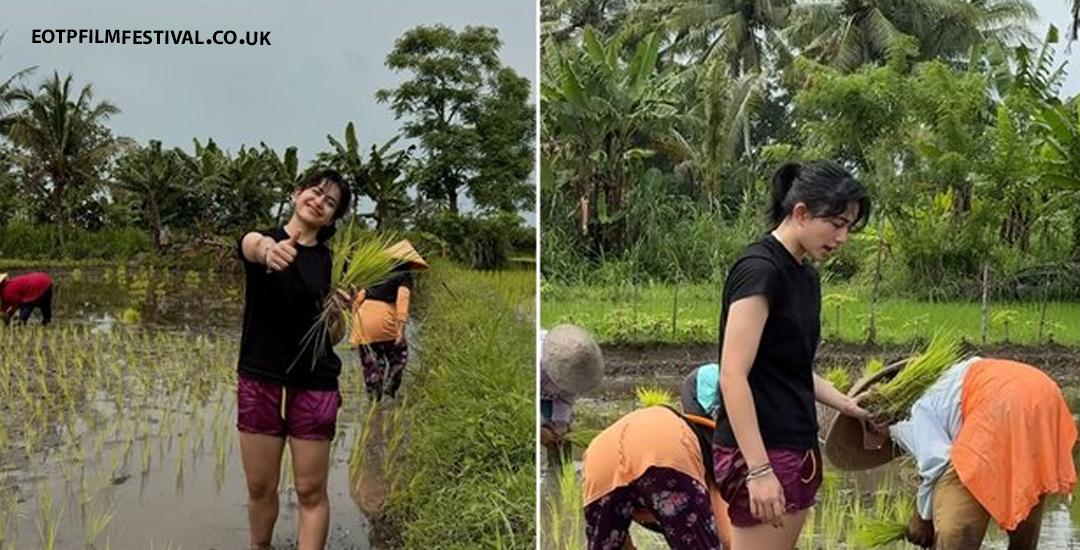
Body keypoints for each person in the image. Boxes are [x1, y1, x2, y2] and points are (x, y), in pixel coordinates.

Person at [712, 160, 872, 550]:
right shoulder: (760, 270)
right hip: (762, 451)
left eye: (848, 227)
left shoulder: (805, 275)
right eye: (835, 223)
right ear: (800, 212)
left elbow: (792, 369)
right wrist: (759, 469)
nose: (842, 237)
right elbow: (732, 374)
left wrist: (847, 405)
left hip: (797, 449)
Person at [825, 357, 1077, 550]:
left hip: (1000, 407)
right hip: (1044, 395)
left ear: (876, 417)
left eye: (868, 425)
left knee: (954, 527)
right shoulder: (948, 379)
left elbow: (937, 462)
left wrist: (922, 518)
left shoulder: (907, 414)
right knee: (1026, 495)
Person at [235, 168, 352, 550]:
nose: (319, 201)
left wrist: (336, 313)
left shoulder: (333, 263)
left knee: (310, 489)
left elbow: (334, 337)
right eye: (315, 192)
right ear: (296, 193)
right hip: (260, 376)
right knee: (259, 485)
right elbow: (249, 244)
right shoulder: (265, 241)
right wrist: (269, 251)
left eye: (330, 202)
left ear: (333, 218)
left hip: (314, 382)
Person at [580, 366, 733, 550]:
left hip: (598, 457)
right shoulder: (714, 459)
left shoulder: (690, 430)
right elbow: (729, 539)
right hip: (663, 451)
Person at [349, 239, 428, 402]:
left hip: (364, 321)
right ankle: (391, 382)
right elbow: (402, 301)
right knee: (399, 355)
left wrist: (354, 324)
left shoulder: (375, 274)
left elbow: (359, 298)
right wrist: (400, 330)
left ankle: (373, 400)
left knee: (371, 363)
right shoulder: (404, 276)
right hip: (385, 322)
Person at [539, 324, 604, 467]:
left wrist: (561, 424)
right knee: (543, 433)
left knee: (559, 438)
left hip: (547, 394)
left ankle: (558, 469)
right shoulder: (536, 363)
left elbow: (565, 398)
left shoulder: (577, 368)